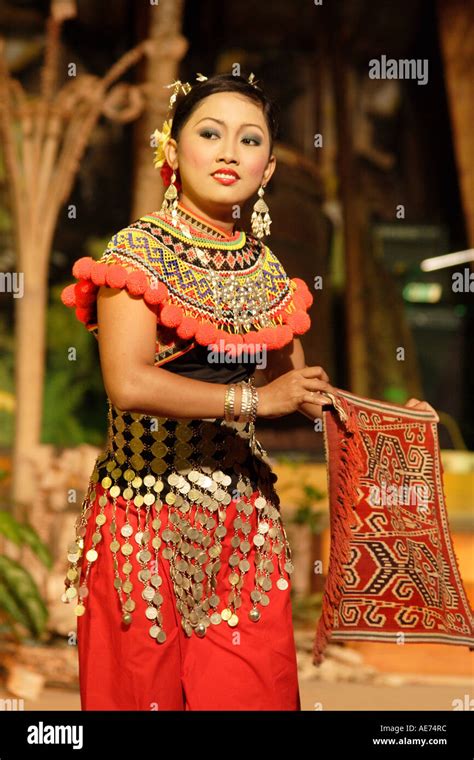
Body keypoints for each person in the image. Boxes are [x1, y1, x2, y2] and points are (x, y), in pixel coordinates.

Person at [60, 72, 437, 711]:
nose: (230, 151)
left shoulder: (267, 270)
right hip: (141, 526)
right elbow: (129, 383)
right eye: (210, 134)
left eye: (250, 139)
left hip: (244, 532)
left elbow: (300, 392)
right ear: (173, 151)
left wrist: (381, 420)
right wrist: (255, 403)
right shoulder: (134, 255)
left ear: (267, 169)